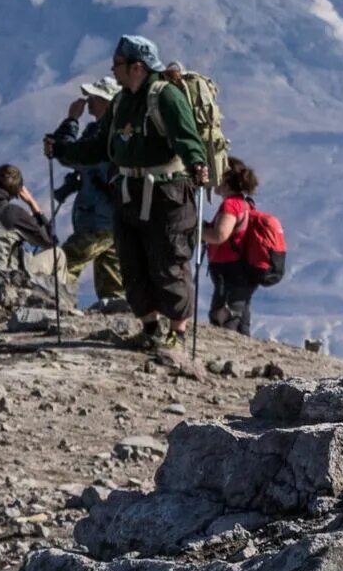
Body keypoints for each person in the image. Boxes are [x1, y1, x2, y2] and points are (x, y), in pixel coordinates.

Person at [45, 34, 206, 349]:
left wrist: (197, 164)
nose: (112, 69)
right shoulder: (121, 102)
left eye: (117, 64)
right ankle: (149, 329)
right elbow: (100, 148)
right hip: (129, 192)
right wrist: (63, 151)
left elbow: (187, 139)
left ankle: (178, 332)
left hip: (167, 193)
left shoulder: (166, 97)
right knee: (132, 262)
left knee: (168, 260)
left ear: (137, 67)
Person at [47, 79, 127, 310]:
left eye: (95, 97)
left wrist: (71, 120)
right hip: (110, 219)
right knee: (112, 278)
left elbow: (66, 154)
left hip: (99, 220)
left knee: (64, 263)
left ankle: (57, 307)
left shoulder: (106, 135)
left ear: (107, 102)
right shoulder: (102, 131)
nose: (89, 101)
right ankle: (116, 317)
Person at [204, 158, 263, 336]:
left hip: (229, 272)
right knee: (240, 318)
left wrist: (197, 231)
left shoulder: (231, 204)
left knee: (223, 317)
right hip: (240, 272)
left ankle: (224, 359)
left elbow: (219, 235)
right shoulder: (243, 203)